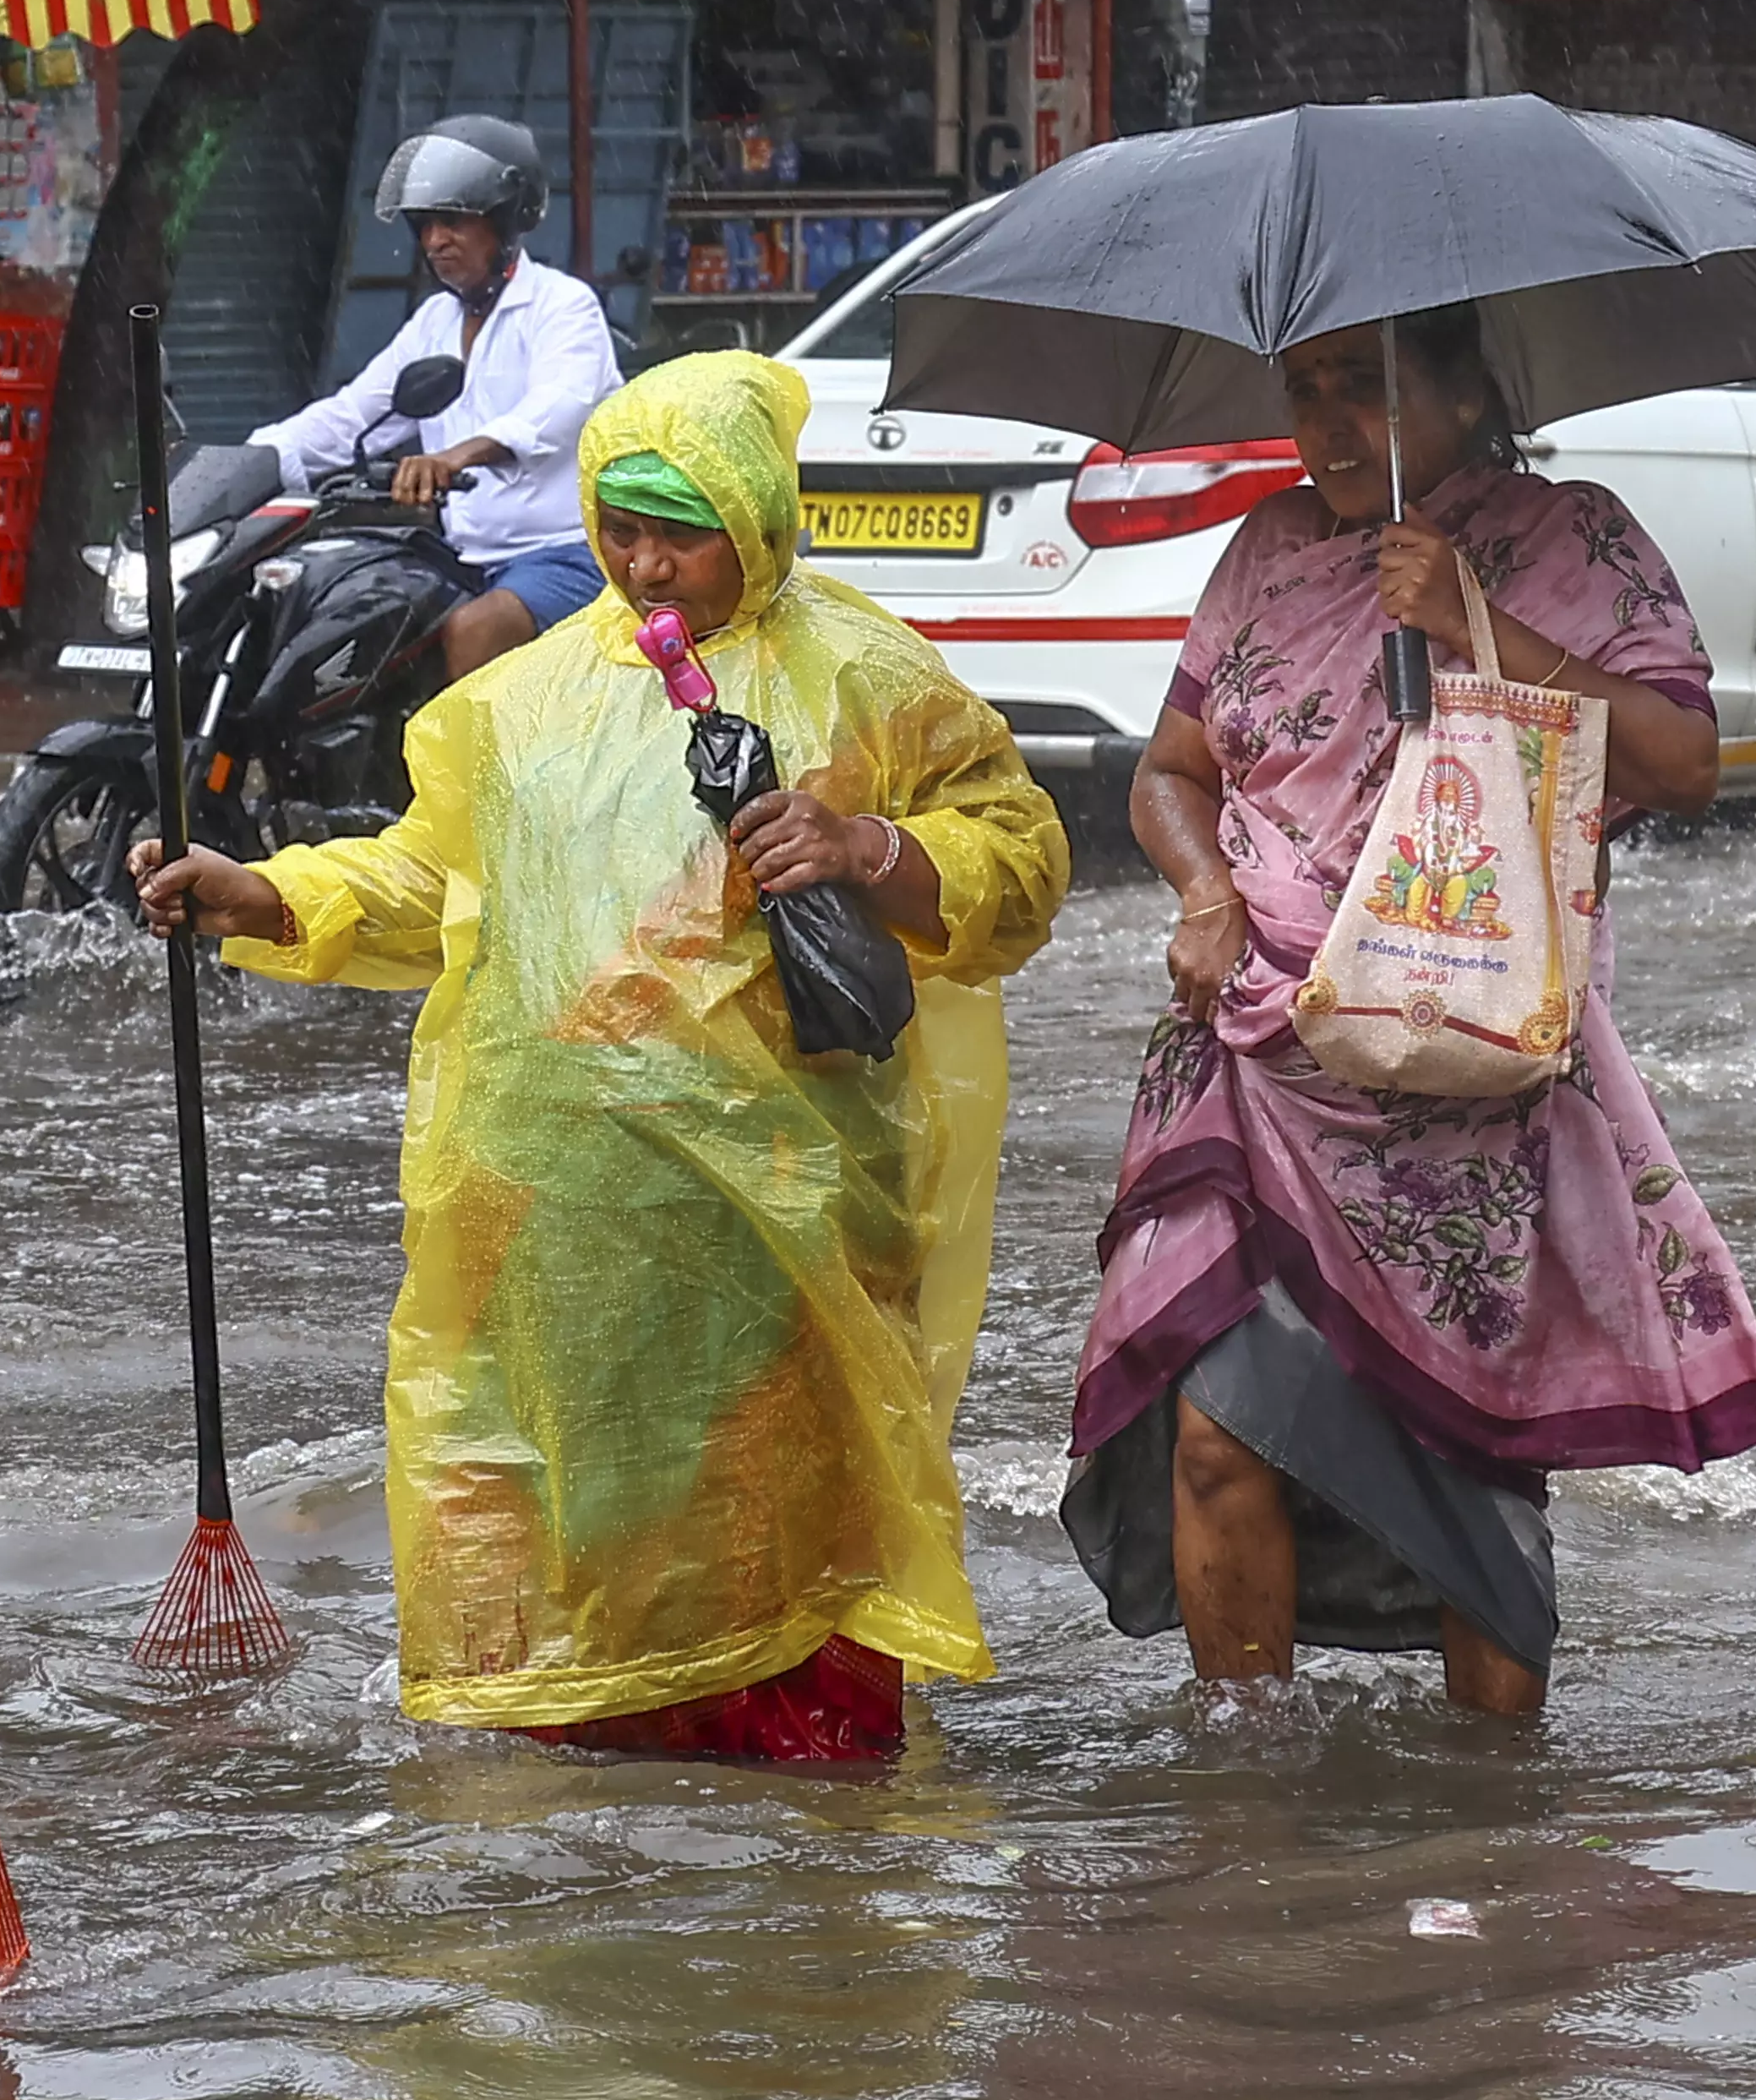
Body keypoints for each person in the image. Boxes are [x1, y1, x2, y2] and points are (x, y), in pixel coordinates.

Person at [139, 352, 1068, 1762]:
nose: (645, 566)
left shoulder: (872, 678)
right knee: (588, 1524)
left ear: (755, 520)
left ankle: (801, 1881)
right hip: (559, 1208)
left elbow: (1022, 861)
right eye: (618, 529)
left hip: (782, 1210)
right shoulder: (513, 710)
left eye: (680, 530)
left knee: (780, 1533)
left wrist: (871, 847)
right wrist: (268, 896)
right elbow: (428, 889)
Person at [1062, 308, 1756, 1720]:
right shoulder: (1267, 550)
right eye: (1306, 392)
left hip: (1463, 1069)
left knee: (1462, 1458)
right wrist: (1205, 891)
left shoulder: (1570, 540)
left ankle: (1491, 1816)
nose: (1328, 429)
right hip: (1255, 1044)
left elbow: (1685, 764)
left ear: (1466, 395)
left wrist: (1474, 620)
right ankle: (1247, 1785)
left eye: (1369, 394)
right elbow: (1170, 770)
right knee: (1213, 1431)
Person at [252, 115, 625, 684]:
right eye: (424, 226)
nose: (434, 242)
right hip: (458, 557)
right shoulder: (433, 321)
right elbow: (357, 415)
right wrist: (249, 463)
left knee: (475, 629)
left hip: (564, 552)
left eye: (452, 222)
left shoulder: (564, 306)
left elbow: (556, 409)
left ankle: (470, 777)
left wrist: (455, 457)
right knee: (340, 610)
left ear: (504, 221)